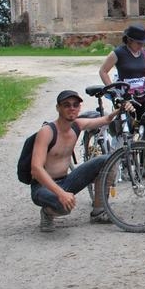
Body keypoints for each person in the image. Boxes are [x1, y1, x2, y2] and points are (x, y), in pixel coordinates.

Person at [30, 90, 126, 232]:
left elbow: (106, 120)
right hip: (43, 187)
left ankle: (99, 211)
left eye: (75, 105)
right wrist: (61, 193)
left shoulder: (77, 125)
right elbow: (36, 169)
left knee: (108, 160)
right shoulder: (47, 132)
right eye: (66, 105)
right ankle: (47, 213)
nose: (72, 108)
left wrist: (122, 109)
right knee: (63, 206)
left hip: (66, 181)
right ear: (58, 108)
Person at [98, 24, 145, 116]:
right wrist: (113, 91)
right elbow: (103, 71)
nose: (141, 45)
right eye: (138, 43)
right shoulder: (118, 53)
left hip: (143, 96)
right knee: (129, 122)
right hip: (125, 97)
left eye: (143, 43)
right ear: (129, 40)